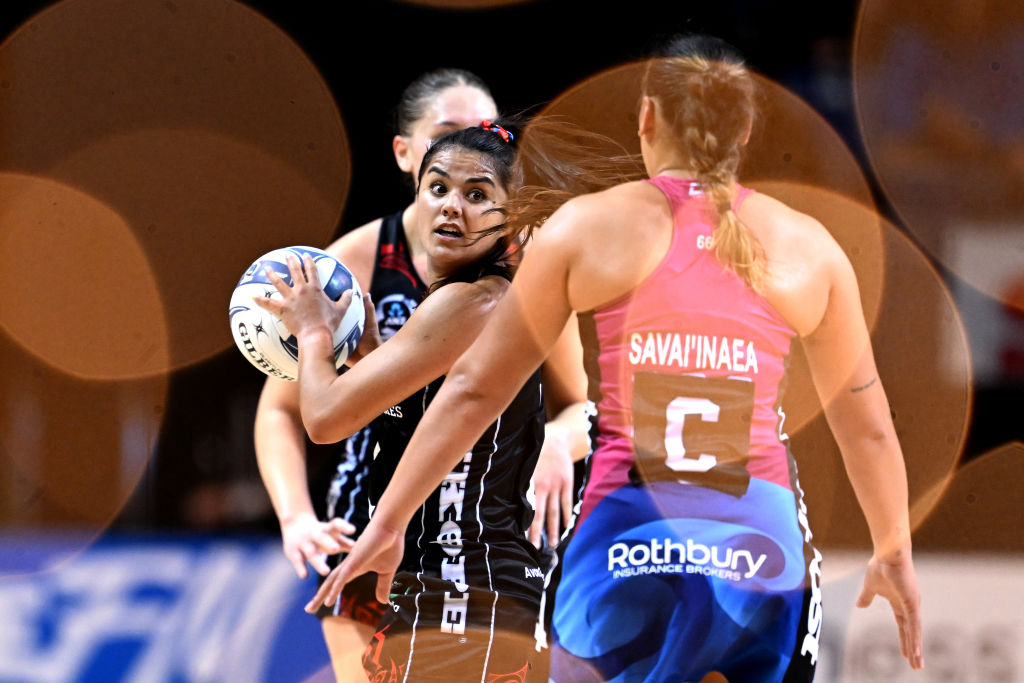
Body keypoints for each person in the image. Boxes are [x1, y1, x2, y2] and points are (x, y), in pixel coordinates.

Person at [306, 34, 925, 682]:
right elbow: (868, 426)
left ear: (646, 117)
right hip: (760, 557)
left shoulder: (585, 228)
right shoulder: (811, 246)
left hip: (623, 545)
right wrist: (893, 549)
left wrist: (390, 520)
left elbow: (472, 389)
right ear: (744, 127)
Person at [252, 69, 585, 682]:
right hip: (418, 560)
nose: (452, 205)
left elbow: (324, 418)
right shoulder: (403, 271)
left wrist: (316, 332)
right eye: (439, 185)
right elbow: (411, 422)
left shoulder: (477, 298)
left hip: (461, 577)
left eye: (479, 193)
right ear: (409, 163)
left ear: (515, 209)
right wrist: (373, 355)